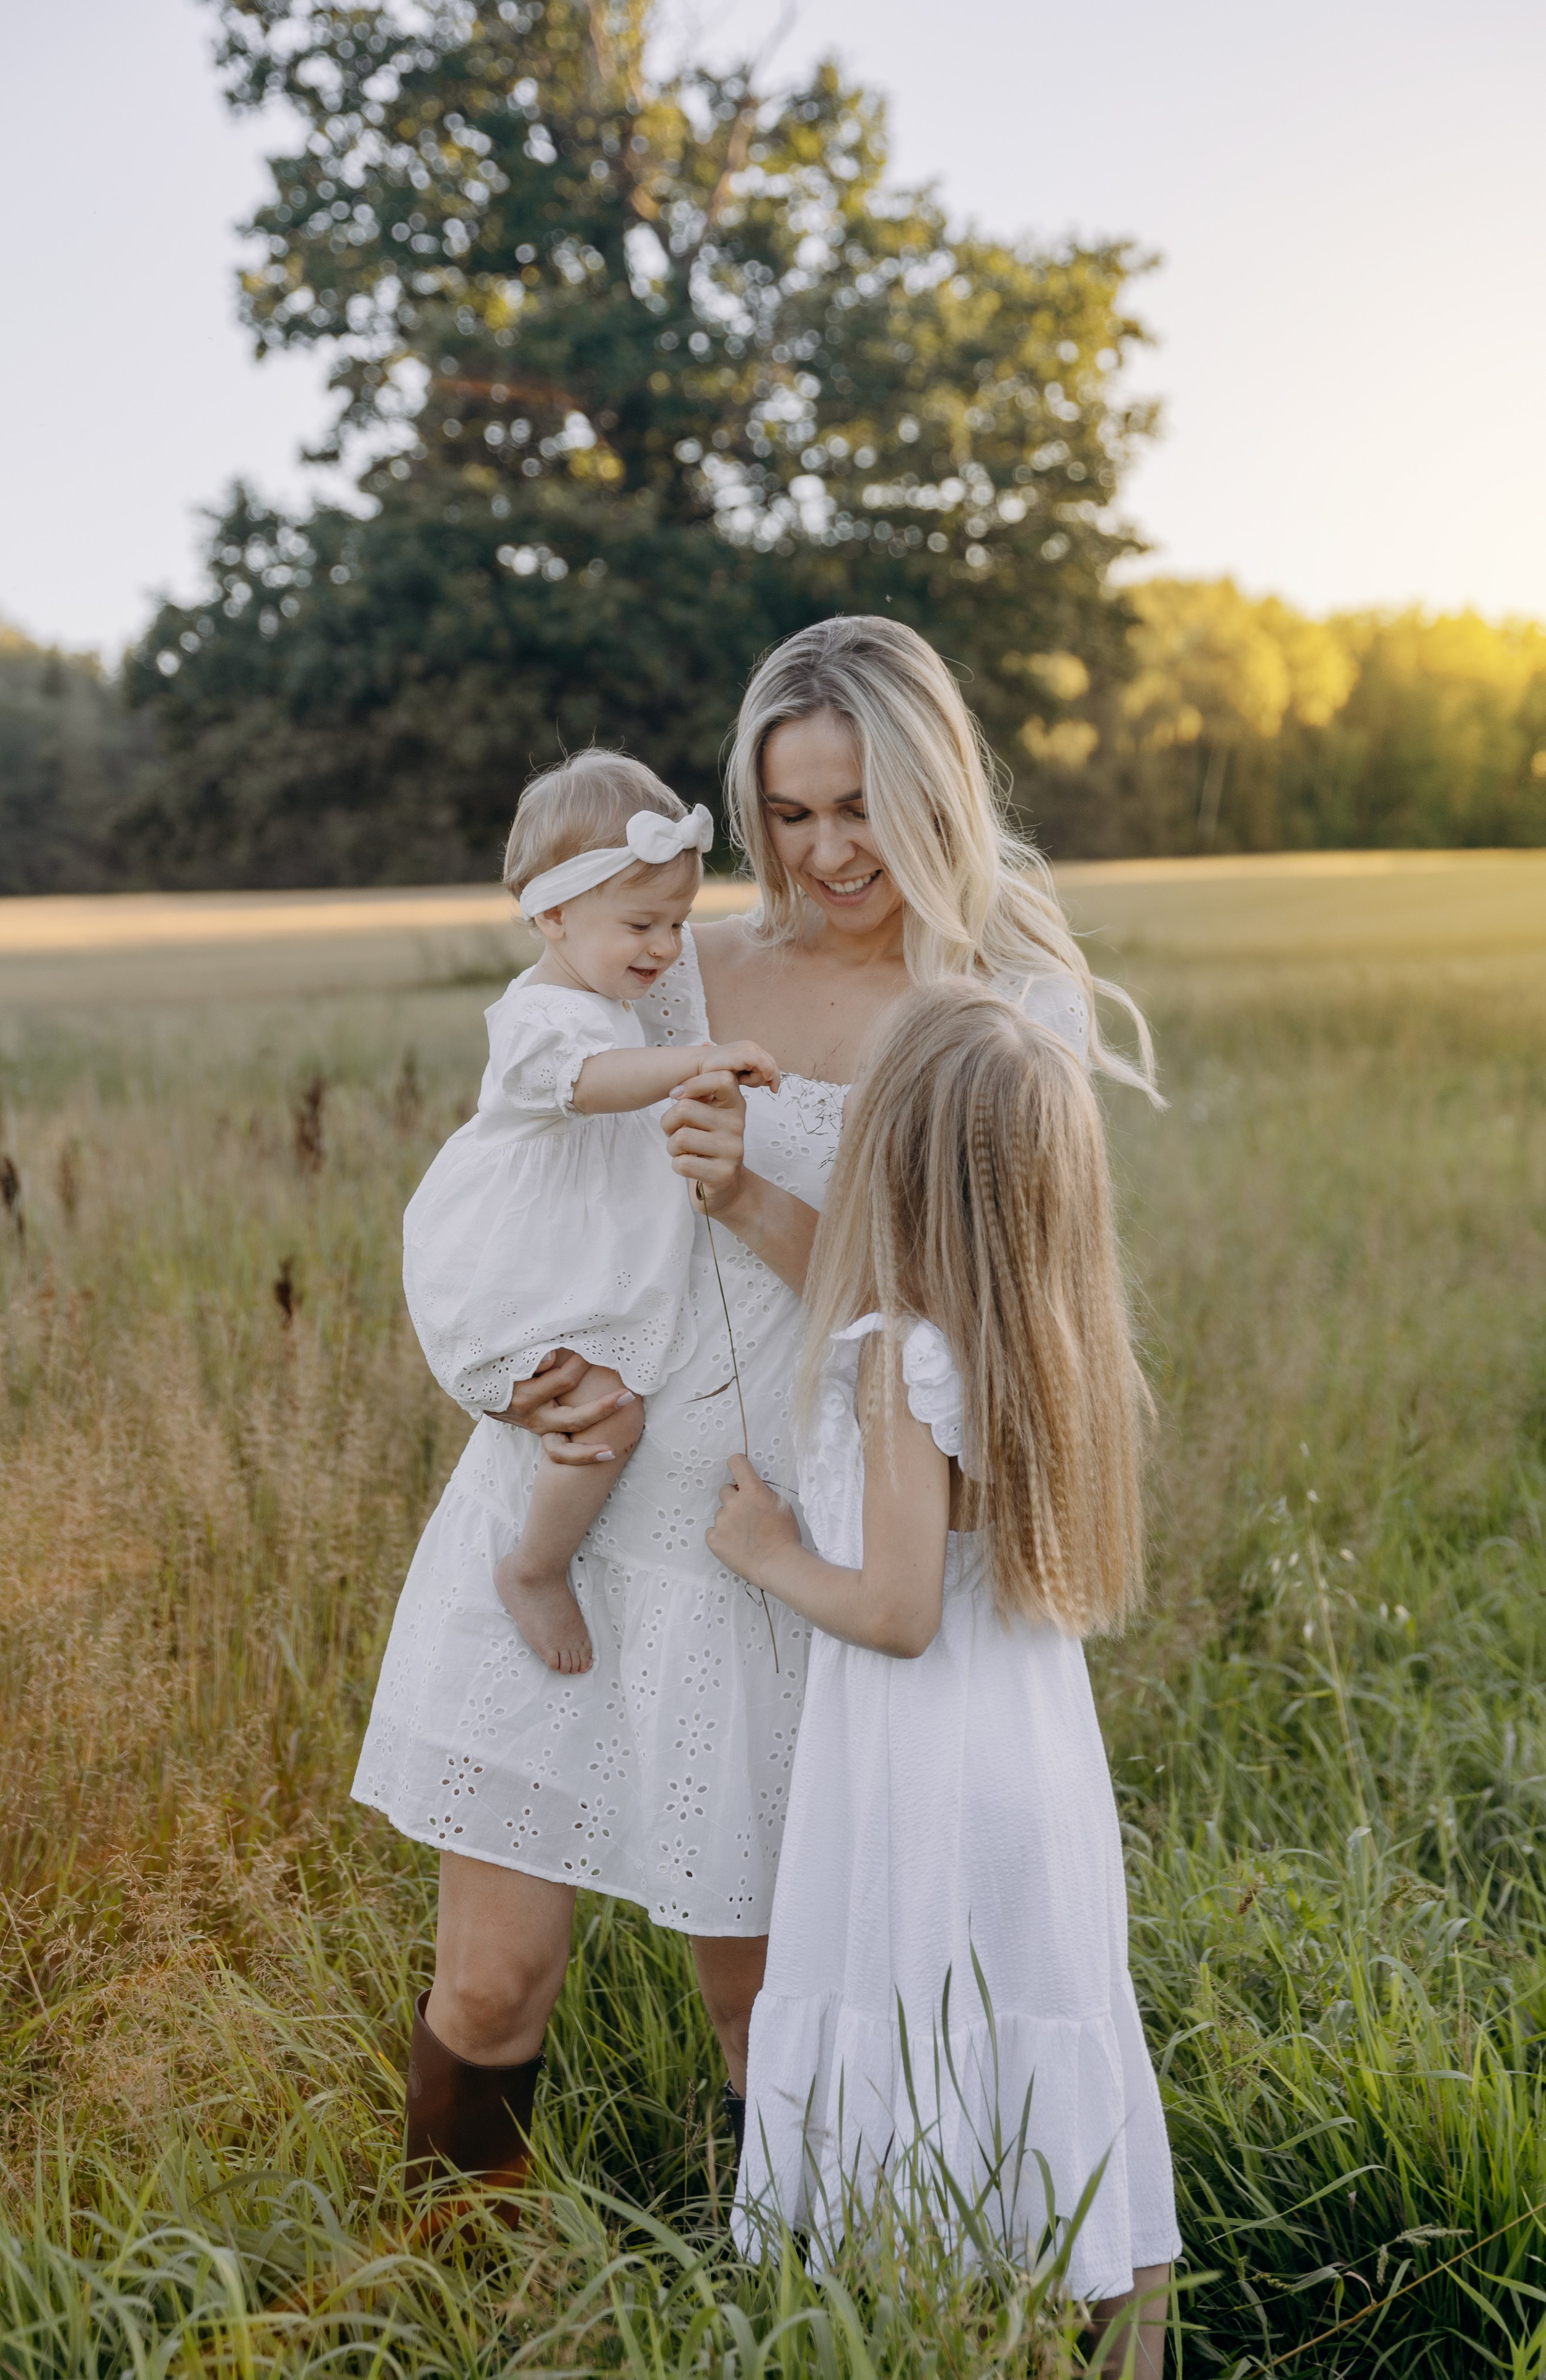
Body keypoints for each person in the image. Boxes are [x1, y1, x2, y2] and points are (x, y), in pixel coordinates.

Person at [351, 614, 1152, 2214]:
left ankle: (807, 2298)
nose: (827, 849)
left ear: (935, 786)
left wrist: (757, 1216)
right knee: (492, 1985)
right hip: (576, 1501)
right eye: (789, 812)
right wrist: (505, 1375)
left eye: (859, 804)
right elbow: (503, 1172)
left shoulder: (1009, 1018)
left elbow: (979, 1322)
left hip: (778, 1537)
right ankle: (438, 2289)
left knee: (761, 2010)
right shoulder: (667, 965)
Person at [709, 981, 1179, 2378]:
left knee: (922, 2072)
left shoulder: (897, 1357)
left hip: (922, 1778)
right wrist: (740, 1201)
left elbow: (899, 1611)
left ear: (890, 1161)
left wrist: (767, 1551)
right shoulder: (1054, 1341)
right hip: (1036, 1773)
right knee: (1063, 2067)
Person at [400, 751, 777, 1677]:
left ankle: (543, 1558)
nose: (664, 948)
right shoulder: (538, 1018)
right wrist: (699, 1061)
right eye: (641, 924)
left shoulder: (610, 993)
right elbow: (590, 1084)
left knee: (610, 1400)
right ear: (554, 914)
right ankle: (535, 1566)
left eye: (679, 922)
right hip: (527, 1257)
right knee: (605, 1412)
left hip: (584, 1249)